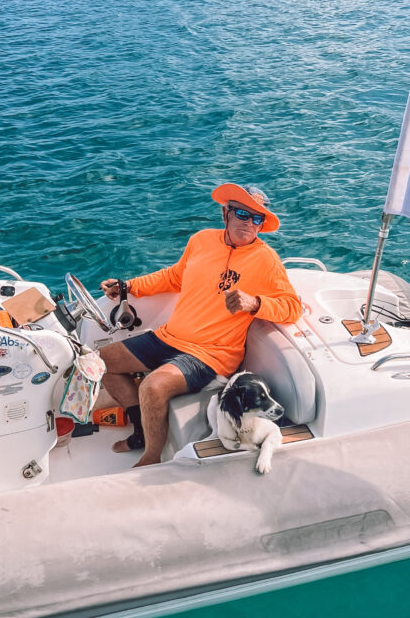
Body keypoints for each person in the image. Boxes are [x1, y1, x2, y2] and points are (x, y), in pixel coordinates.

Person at [99, 183, 303, 467]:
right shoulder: (202, 239)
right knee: (100, 363)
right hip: (168, 337)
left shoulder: (266, 260)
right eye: (242, 213)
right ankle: (141, 433)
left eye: (257, 218)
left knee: (152, 387)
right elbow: (173, 277)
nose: (249, 223)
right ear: (226, 213)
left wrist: (254, 303)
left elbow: (293, 306)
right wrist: (129, 286)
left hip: (210, 354)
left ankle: (151, 460)